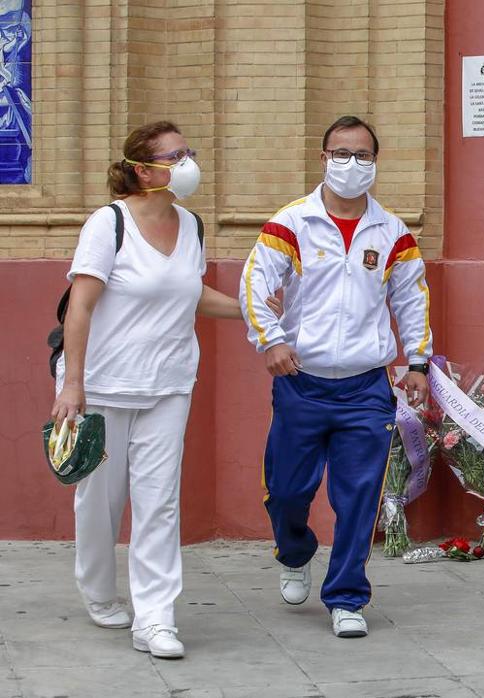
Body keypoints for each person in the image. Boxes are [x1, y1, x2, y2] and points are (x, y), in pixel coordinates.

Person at [49, 120, 278, 659]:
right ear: (141, 169)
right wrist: (73, 385)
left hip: (170, 382)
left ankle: (155, 620)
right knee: (99, 503)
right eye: (174, 156)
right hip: (104, 384)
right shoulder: (109, 225)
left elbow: (191, 294)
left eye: (188, 153)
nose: (187, 164)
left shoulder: (193, 225)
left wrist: (256, 312)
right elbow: (80, 305)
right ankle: (100, 592)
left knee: (159, 503)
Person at [239, 115, 432, 639]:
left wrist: (417, 363)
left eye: (363, 155)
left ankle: (347, 597)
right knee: (286, 490)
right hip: (302, 381)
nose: (352, 164)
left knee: (359, 495)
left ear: (376, 161)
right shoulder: (292, 224)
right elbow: (255, 283)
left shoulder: (392, 233)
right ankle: (295, 550)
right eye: (341, 154)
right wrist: (271, 341)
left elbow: (411, 299)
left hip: (366, 386)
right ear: (322, 158)